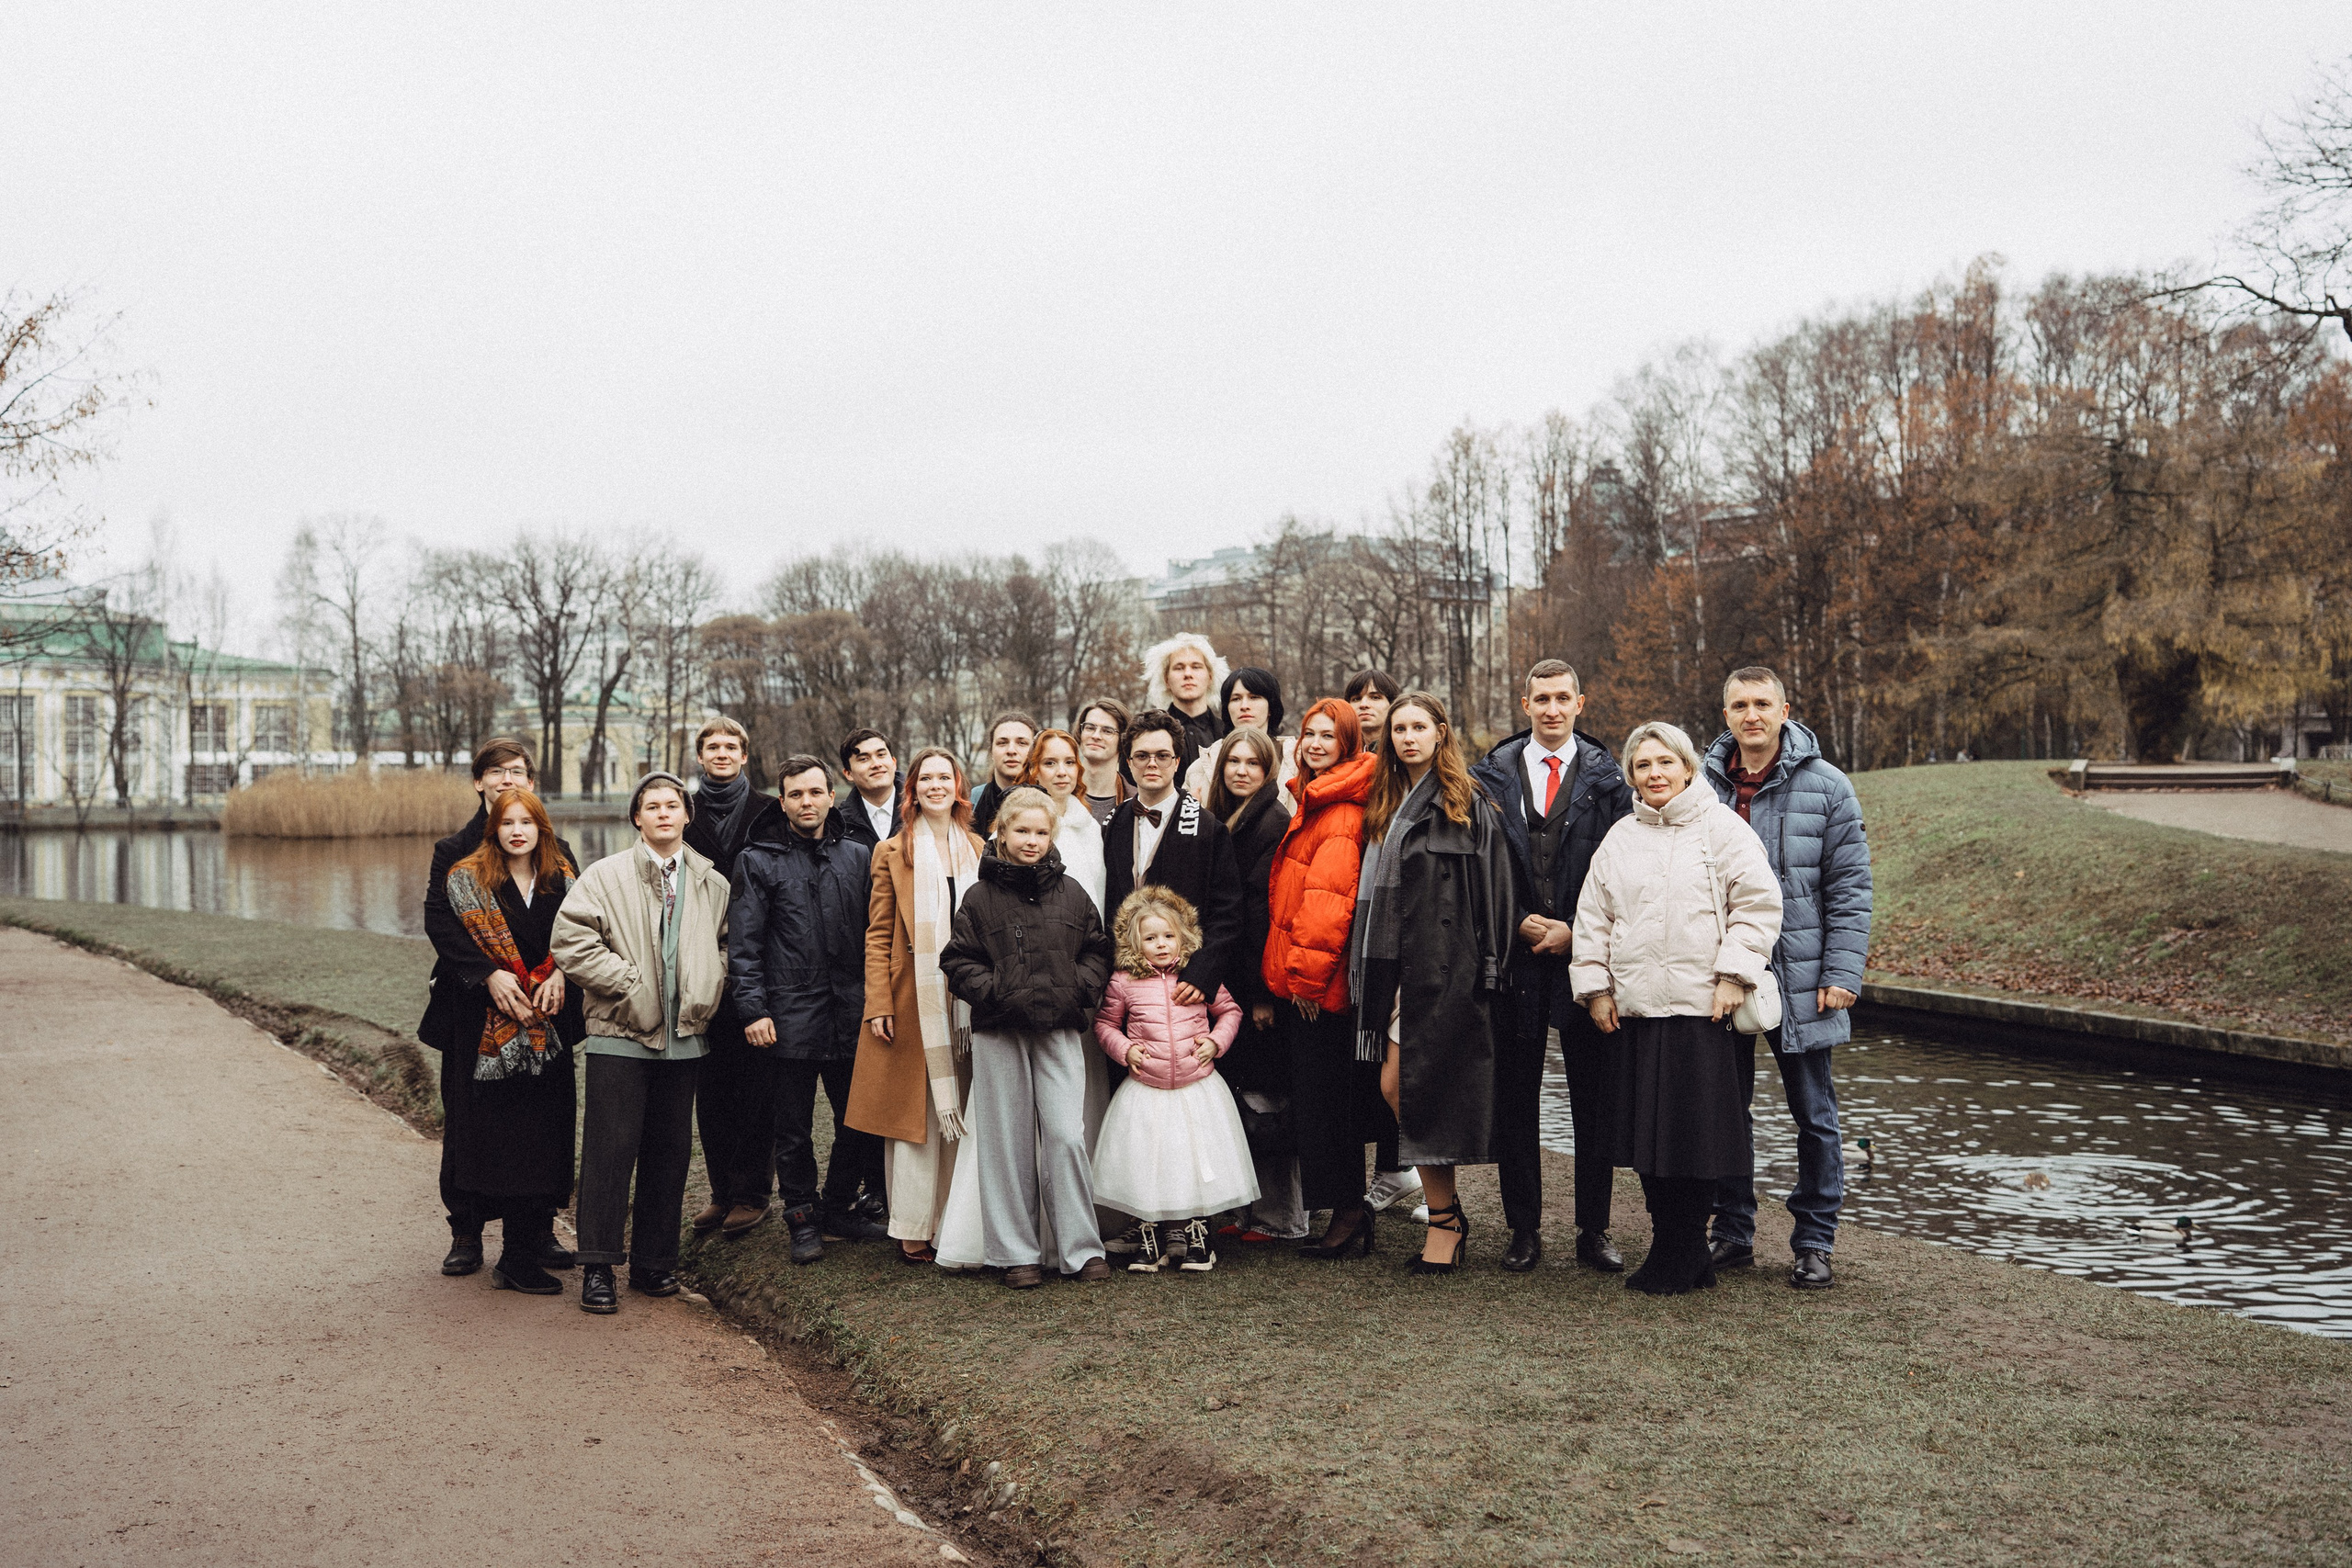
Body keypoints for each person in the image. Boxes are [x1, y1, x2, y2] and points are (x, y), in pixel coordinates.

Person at [1570, 722, 1783, 1296]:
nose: (1655, 774)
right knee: (1649, 1137)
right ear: (1632, 775)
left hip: (1703, 1009)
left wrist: (1736, 974)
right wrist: (1595, 989)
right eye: (1643, 766)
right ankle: (1679, 1248)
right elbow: (1594, 918)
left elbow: (1759, 904)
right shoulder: (1620, 837)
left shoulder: (1723, 830)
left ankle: (1683, 1249)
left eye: (1665, 763)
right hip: (1637, 1010)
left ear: (1688, 768)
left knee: (1695, 1137)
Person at [1702, 667, 1874, 1291]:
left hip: (1804, 975)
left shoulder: (1827, 786)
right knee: (1726, 1108)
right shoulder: (1702, 787)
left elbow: (1850, 889)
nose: (1752, 714)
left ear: (1784, 709)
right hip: (1724, 971)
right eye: (1740, 704)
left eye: (1763, 704)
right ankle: (1733, 1230)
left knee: (1815, 1112)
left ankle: (1814, 1239)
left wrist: (1842, 973)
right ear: (1726, 714)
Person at [1469, 660, 1635, 1273]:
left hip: (1584, 958)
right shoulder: (1489, 777)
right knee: (1517, 1097)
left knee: (1595, 1099)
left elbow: (1622, 873)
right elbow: (1479, 868)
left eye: (1563, 696)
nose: (1552, 708)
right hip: (1516, 959)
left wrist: (1576, 930)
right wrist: (1515, 919)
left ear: (1581, 702)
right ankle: (1523, 1229)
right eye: (1541, 697)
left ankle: (1594, 1230)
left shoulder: (1609, 779)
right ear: (1525, 701)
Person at [552, 772, 730, 1314]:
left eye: (672, 805)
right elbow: (571, 940)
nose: (662, 814)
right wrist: (630, 986)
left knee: (669, 1154)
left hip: (685, 1040)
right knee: (609, 1153)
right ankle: (599, 1267)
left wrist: (708, 984)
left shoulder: (711, 882)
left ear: (686, 815)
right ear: (637, 817)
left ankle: (655, 1263)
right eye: (651, 806)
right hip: (620, 1036)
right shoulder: (604, 876)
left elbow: (724, 946)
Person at [1354, 692, 1516, 1273]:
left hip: (1448, 969)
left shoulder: (1466, 798)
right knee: (1399, 1088)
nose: (1407, 737)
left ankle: (1445, 1221)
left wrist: (1491, 968)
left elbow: (1496, 890)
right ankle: (1447, 1216)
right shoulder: (1385, 800)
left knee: (1406, 1087)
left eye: (1419, 726)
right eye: (1398, 728)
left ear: (1441, 732)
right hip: (1396, 968)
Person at [938, 787, 1115, 1287]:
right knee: (1007, 1142)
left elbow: (1097, 951)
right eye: (1022, 831)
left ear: (1052, 835)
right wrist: (994, 991)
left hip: (1058, 1028)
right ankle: (1017, 1253)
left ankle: (1081, 1250)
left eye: (1041, 832)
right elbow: (957, 960)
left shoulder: (1073, 893)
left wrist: (1077, 988)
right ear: (1002, 833)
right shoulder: (979, 897)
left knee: (1064, 1136)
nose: (1031, 841)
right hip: (1001, 1029)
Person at [418, 737, 576, 1279]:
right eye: (497, 771)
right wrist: (487, 975)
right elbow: (441, 922)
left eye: (518, 771)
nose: (508, 779)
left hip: (543, 1008)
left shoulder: (557, 851)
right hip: (474, 1009)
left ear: (531, 782)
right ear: (479, 781)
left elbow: (578, 922)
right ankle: (466, 1229)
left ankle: (537, 1227)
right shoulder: (456, 851)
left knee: (542, 1119)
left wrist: (558, 973)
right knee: (470, 1119)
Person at [729, 754, 887, 1265]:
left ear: (830, 795)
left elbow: (878, 936)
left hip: (850, 1011)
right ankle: (800, 1214)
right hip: (787, 1015)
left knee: (857, 1121)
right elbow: (744, 945)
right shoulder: (758, 859)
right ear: (783, 801)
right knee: (792, 1128)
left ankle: (837, 1206)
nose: (807, 803)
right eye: (796, 794)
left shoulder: (859, 855)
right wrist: (753, 1010)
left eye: (816, 792)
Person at [847, 747, 984, 1263]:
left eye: (944, 777)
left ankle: (955, 1220)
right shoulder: (892, 852)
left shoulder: (978, 848)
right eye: (926, 778)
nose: (935, 786)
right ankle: (911, 1224)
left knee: (964, 1109)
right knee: (916, 1116)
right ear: (913, 789)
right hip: (915, 998)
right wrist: (878, 1002)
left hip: (970, 1003)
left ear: (958, 786)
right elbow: (878, 934)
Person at [1261, 698, 1386, 1260]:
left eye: (1327, 737)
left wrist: (1307, 984)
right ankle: (1345, 1211)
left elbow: (1327, 907)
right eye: (1308, 734)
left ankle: (1348, 1216)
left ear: (1348, 745)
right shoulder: (1317, 799)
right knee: (1324, 1102)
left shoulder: (1338, 812)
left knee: (1327, 1104)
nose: (1314, 744)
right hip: (1307, 983)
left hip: (1318, 989)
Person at [1091, 887, 1256, 1274]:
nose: (1161, 945)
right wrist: (1124, 1050)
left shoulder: (1198, 975)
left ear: (1183, 936)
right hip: (1146, 1089)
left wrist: (1216, 1042)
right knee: (1150, 1159)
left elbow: (1230, 1011)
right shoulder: (1123, 981)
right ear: (1135, 943)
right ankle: (1151, 1234)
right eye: (1150, 938)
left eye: (1168, 936)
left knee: (1195, 1157)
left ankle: (1199, 1235)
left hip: (1196, 1086)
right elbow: (1104, 1024)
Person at [1203, 727, 1304, 1245]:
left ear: (1268, 771)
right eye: (1233, 762)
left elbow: (1265, 909)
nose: (1241, 771)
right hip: (1232, 978)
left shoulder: (1272, 820)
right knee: (1243, 1097)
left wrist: (1264, 993)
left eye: (1253, 763)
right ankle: (1246, 1211)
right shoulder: (1225, 819)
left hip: (1258, 982)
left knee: (1270, 1101)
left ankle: (1280, 1217)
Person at [682, 717, 779, 1242]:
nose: (721, 753)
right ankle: (721, 1191)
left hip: (758, 960)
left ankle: (753, 1192)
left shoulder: (768, 810)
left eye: (730, 746)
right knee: (711, 1084)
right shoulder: (683, 812)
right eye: (712, 746)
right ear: (701, 757)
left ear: (745, 755)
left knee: (756, 1083)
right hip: (699, 965)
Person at [1339, 668, 1417, 1215]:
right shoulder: (1344, 763)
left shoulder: (1400, 772)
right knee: (1366, 1071)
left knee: (1399, 1067)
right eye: (1357, 698)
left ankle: (1407, 1169)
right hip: (1354, 930)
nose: (1367, 706)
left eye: (1377, 697)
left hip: (1395, 933)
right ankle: (1392, 1170)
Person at [1102, 711, 1243, 1003]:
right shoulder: (1114, 823)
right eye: (1141, 756)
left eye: (1162, 755)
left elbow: (1228, 914)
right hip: (1126, 983)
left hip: (1184, 983)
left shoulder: (1206, 828)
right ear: (1129, 763)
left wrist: (1203, 974)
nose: (1152, 764)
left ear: (1177, 762)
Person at [1016, 728, 1108, 917]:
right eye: (1050, 763)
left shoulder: (1090, 828)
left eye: (1069, 762)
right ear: (1035, 770)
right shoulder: (1016, 826)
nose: (1062, 772)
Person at [1182, 667, 1295, 799]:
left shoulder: (1297, 762)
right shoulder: (1201, 767)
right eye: (1236, 699)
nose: (1244, 706)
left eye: (1254, 697)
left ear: (1271, 706)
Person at [1141, 631, 1228, 766]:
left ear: (1210, 677)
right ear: (1166, 680)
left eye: (1196, 667)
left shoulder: (1228, 734)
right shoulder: (1145, 734)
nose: (1188, 674)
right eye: (1179, 668)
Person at [968, 711, 1039, 837]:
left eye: (1022, 743)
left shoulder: (1049, 800)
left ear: (1035, 752)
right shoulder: (973, 800)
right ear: (991, 751)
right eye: (1002, 743)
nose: (1011, 750)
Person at [835, 728, 903, 849]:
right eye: (864, 759)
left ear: (894, 763)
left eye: (881, 755)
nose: (876, 764)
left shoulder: (922, 808)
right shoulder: (839, 827)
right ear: (848, 774)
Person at [1073, 698, 1132, 828]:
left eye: (1107, 731)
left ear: (1122, 740)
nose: (1096, 736)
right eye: (1090, 728)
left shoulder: (1136, 803)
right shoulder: (1059, 793)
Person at [1343, 669, 1400, 756]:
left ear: (1392, 704)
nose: (1363, 704)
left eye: (1375, 697)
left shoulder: (1402, 751)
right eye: (1356, 699)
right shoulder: (1341, 755)